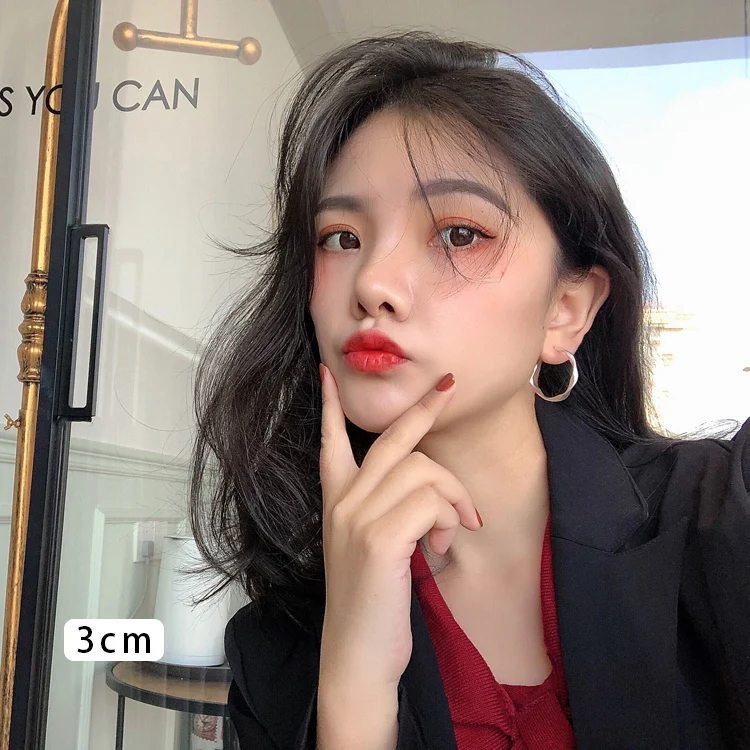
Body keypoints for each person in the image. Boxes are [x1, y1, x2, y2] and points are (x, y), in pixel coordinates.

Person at [187, 31, 750, 749]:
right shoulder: (274, 645)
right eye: (341, 237)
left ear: (566, 310)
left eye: (458, 234)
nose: (373, 283)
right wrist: (353, 686)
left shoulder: (720, 524)